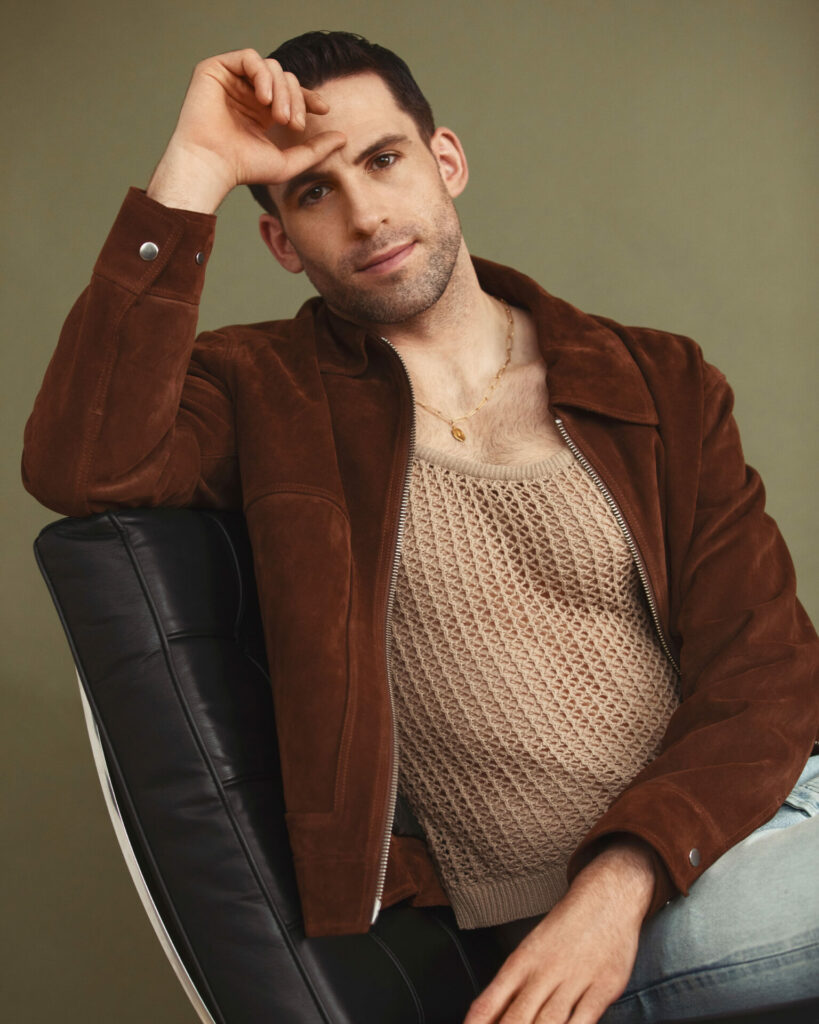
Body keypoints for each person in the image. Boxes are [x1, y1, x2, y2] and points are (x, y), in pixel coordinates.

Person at [21, 31, 819, 1024]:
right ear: (280, 241)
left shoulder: (655, 379)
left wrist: (625, 877)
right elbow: (81, 462)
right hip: (584, 927)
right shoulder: (263, 394)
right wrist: (196, 162)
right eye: (313, 193)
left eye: (383, 159)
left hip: (744, 830)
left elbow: (771, 667)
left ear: (446, 160)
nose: (364, 213)